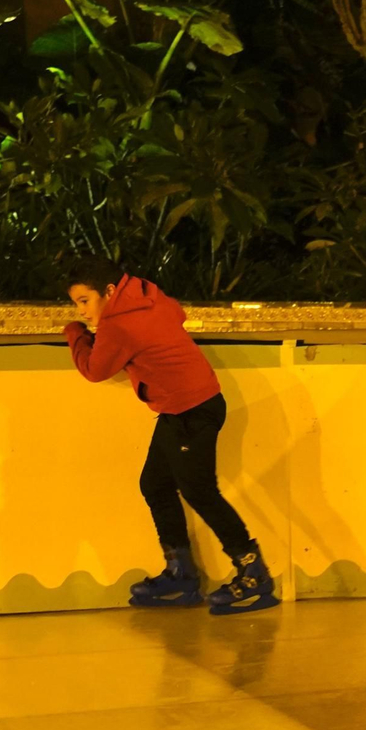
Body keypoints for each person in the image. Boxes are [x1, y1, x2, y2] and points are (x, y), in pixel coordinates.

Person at [62, 254, 280, 616]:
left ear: (110, 291)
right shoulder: (148, 294)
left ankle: (253, 573)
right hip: (190, 405)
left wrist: (75, 334)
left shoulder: (119, 325)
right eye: (76, 305)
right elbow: (176, 313)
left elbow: (94, 369)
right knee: (155, 485)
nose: (81, 311)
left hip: (190, 410)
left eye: (84, 301)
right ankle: (181, 573)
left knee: (199, 491)